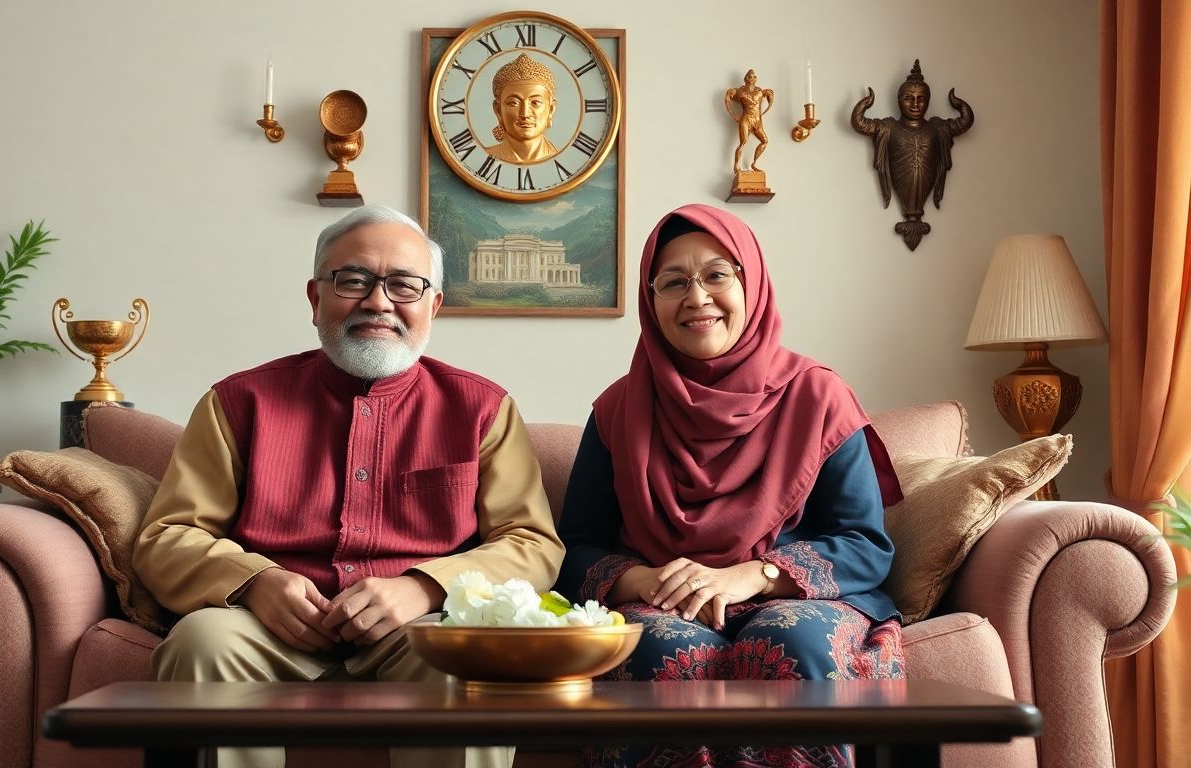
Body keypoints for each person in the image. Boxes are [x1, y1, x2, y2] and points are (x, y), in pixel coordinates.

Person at [135, 204, 564, 768]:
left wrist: (425, 587)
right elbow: (168, 534)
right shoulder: (238, 402)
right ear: (315, 298)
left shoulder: (482, 409)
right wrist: (255, 581)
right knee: (202, 643)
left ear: (433, 306)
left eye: (403, 285)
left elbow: (532, 543)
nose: (378, 302)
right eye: (353, 280)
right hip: (263, 626)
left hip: (419, 627)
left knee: (464, 658)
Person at [555, 204, 906, 768]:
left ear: (754, 285)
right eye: (673, 282)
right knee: (660, 650)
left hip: (790, 596)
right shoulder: (619, 408)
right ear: (651, 303)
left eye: (718, 274)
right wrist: (649, 580)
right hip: (663, 600)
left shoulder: (816, 397)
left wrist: (751, 577)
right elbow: (574, 547)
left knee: (793, 643)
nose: (696, 297)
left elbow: (865, 544)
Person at [850, 59, 974, 249]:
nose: (915, 104)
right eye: (909, 98)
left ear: (928, 101)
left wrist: (959, 104)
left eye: (921, 98)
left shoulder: (937, 127)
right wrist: (865, 104)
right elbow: (861, 123)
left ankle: (914, 213)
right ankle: (911, 212)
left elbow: (964, 122)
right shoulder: (889, 127)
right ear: (899, 99)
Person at [484, 53, 559, 164]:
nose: (525, 114)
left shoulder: (562, 159)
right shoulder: (484, 158)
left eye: (535, 103)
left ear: (551, 110)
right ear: (498, 110)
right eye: (514, 103)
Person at [724, 69, 774, 174]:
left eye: (754, 76)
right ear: (745, 79)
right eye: (749, 76)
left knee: (764, 141)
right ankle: (736, 166)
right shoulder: (740, 91)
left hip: (757, 121)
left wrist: (770, 97)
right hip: (745, 120)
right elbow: (729, 97)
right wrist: (733, 115)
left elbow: (769, 95)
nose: (752, 78)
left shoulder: (760, 91)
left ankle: (754, 164)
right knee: (743, 143)